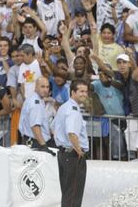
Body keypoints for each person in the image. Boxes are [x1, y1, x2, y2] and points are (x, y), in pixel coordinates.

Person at [52, 79, 89, 207]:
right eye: (81, 91)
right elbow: (72, 133)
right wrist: (79, 151)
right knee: (73, 195)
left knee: (67, 193)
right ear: (73, 92)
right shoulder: (73, 110)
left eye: (86, 91)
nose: (84, 94)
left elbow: (53, 127)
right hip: (73, 155)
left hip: (64, 154)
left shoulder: (64, 107)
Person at [19, 76, 54, 150]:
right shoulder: (36, 103)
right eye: (42, 87)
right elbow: (35, 126)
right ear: (36, 87)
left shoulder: (34, 99)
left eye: (47, 87)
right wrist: (43, 146)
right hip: (36, 143)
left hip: (31, 141)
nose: (45, 90)